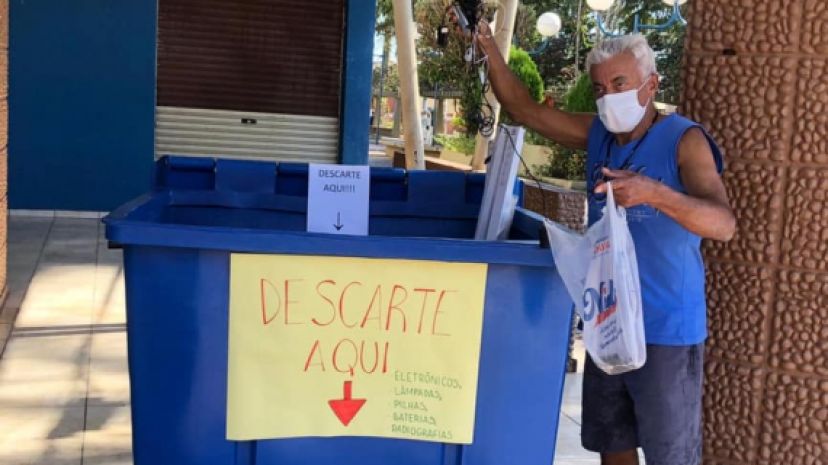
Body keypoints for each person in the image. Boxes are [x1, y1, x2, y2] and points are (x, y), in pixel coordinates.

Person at [472, 23, 736, 465]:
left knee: (670, 454)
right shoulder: (598, 134)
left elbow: (723, 224)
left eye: (619, 83)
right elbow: (522, 108)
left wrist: (654, 193)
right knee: (612, 445)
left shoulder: (685, 141)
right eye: (599, 88)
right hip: (608, 321)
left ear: (650, 85)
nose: (608, 96)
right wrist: (485, 44)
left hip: (664, 328)